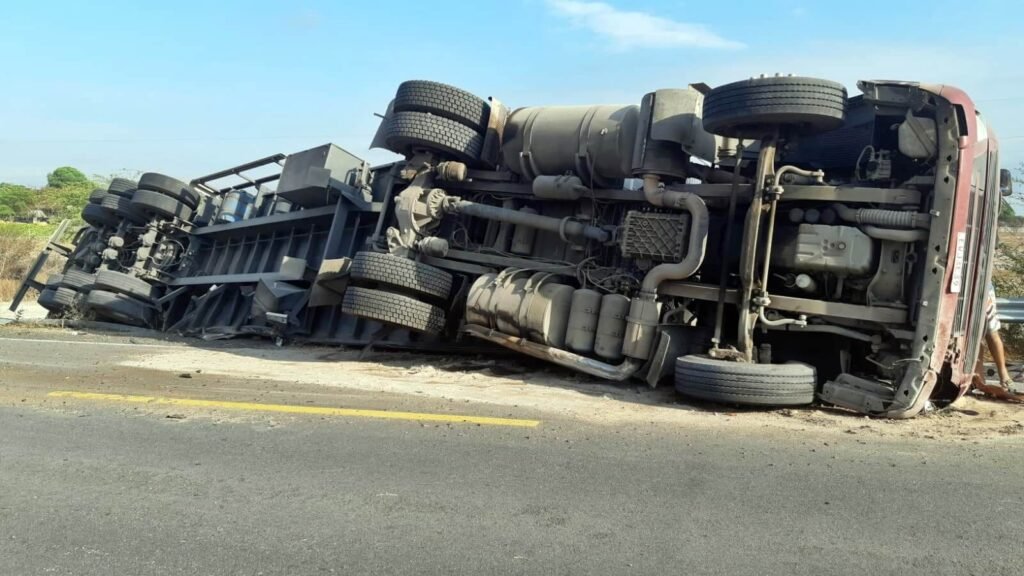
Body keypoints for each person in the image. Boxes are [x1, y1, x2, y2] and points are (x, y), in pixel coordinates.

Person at [972, 283, 1021, 399]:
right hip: (960, 286)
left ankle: (1004, 375)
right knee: (973, 336)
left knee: (991, 332)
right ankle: (978, 379)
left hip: (982, 286)